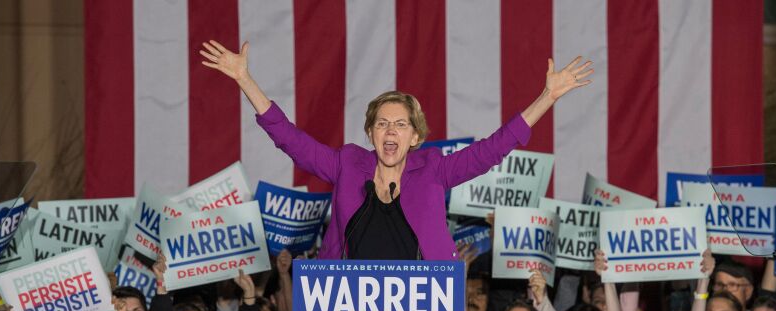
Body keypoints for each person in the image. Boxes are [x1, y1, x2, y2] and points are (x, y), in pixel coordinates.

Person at [200, 39, 592, 260]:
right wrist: (244, 79)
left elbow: (493, 149)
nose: (391, 131)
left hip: (421, 306)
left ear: (415, 137)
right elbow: (289, 138)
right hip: (347, 305)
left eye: (400, 124)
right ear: (371, 133)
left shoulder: (435, 169)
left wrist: (547, 96)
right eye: (382, 124)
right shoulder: (346, 164)